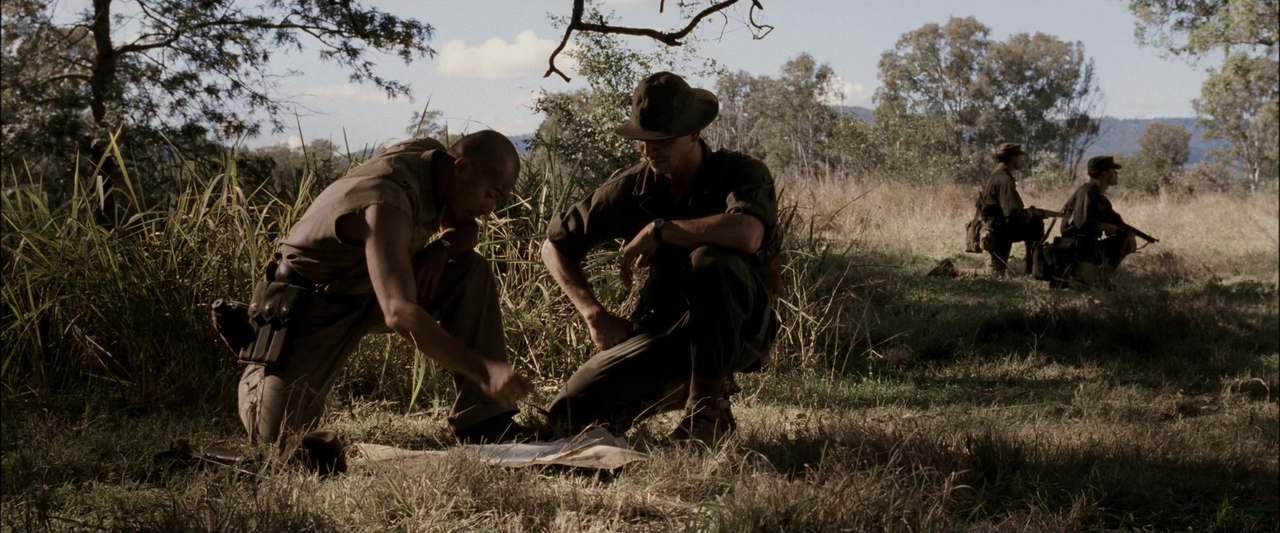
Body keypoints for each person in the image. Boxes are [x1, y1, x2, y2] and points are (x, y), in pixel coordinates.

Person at [235, 130, 533, 452]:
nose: (489, 209)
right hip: (313, 307)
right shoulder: (385, 203)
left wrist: (441, 249)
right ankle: (261, 366)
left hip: (370, 293)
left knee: (470, 270)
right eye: (490, 194)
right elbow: (399, 313)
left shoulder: (437, 164)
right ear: (462, 168)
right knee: (275, 437)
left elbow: (465, 231)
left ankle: (485, 420)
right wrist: (483, 370)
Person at [541, 71, 780, 444]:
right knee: (568, 414)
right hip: (664, 331)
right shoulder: (631, 186)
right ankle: (678, 387)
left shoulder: (740, 172)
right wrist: (594, 314)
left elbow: (748, 233)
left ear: (694, 133)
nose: (649, 150)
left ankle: (707, 411)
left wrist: (662, 229)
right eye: (643, 140)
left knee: (710, 260)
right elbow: (553, 246)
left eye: (662, 140)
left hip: (740, 331)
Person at [1057, 155, 1139, 287]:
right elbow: (1082, 223)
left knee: (1123, 239)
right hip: (1076, 248)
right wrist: (1104, 227)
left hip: (1090, 246)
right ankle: (1083, 275)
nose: (1116, 173)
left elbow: (1116, 221)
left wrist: (1129, 233)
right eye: (1113, 170)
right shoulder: (1086, 193)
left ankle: (1100, 275)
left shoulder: (1099, 198)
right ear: (1105, 174)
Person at [978, 142, 1055, 275]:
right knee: (994, 274)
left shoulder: (997, 174)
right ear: (1013, 158)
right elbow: (1012, 213)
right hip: (998, 232)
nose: (1020, 160)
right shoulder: (1004, 180)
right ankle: (952, 270)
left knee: (995, 273)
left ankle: (1032, 270)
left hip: (996, 228)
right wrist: (1031, 214)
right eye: (1019, 156)